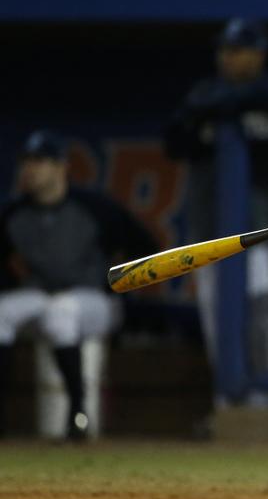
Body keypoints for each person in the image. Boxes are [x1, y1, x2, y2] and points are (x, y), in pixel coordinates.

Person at [0, 131, 156, 439]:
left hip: (93, 300)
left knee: (61, 312)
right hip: (39, 296)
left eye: (40, 161)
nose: (30, 169)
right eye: (26, 162)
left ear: (61, 167)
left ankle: (78, 414)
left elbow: (145, 245)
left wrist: (121, 285)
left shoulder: (96, 208)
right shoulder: (13, 214)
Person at [164, 18, 268, 377]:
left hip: (260, 226)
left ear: (258, 54)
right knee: (215, 315)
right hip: (209, 222)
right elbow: (173, 139)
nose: (227, 58)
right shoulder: (205, 91)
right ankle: (227, 399)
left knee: (257, 310)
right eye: (224, 50)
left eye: (236, 50)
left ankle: (262, 394)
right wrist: (208, 110)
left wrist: (213, 109)